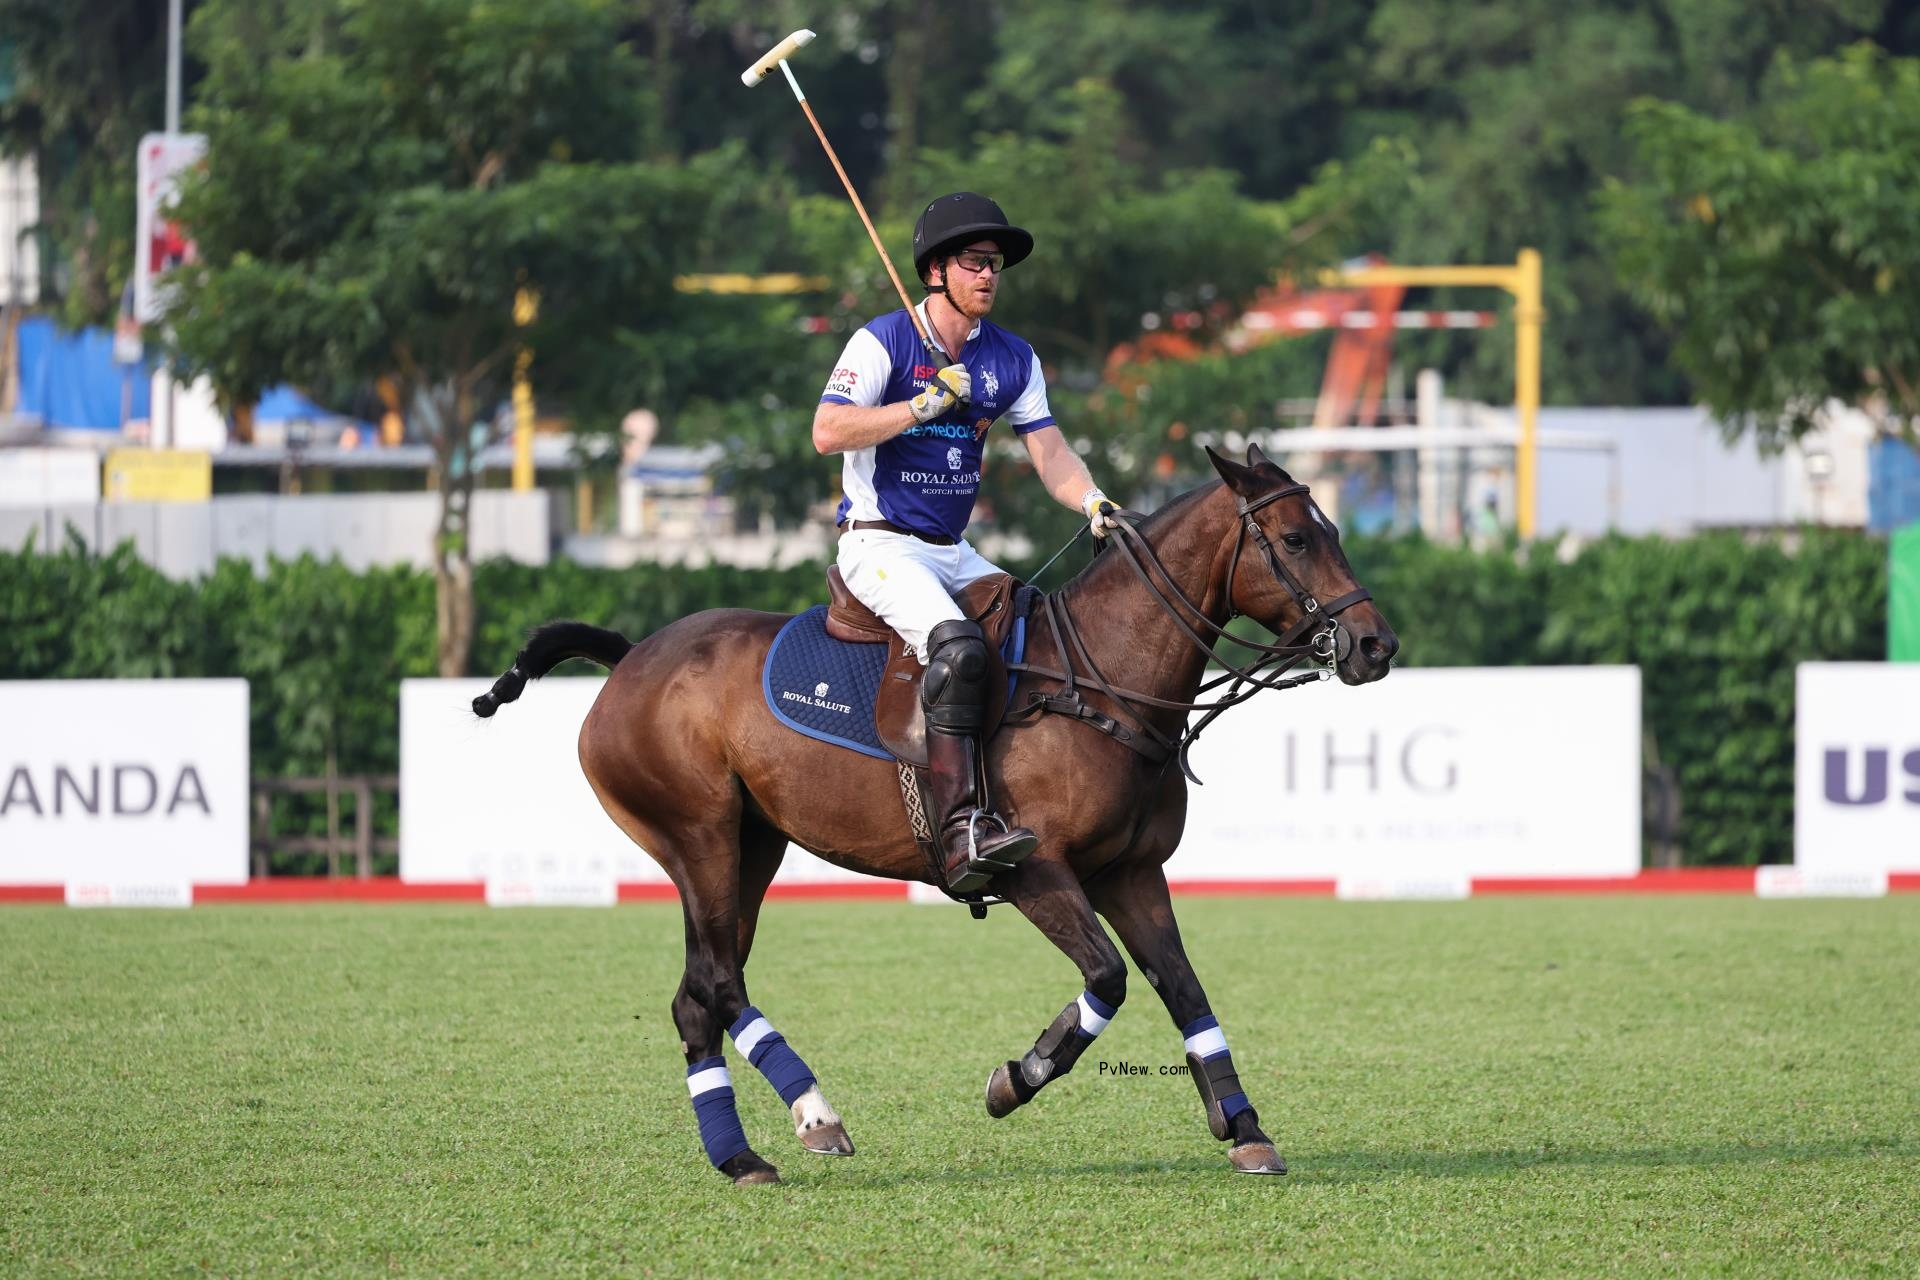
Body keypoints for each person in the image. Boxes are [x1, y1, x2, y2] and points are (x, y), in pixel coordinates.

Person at [813, 192, 1119, 895]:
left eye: (996, 265)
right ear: (936, 270)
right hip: (879, 543)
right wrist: (918, 406)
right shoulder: (882, 342)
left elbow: (1051, 454)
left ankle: (1024, 792)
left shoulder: (1013, 360)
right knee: (957, 644)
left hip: (953, 549)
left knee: (1040, 629)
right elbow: (828, 431)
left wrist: (1094, 499)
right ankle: (961, 829)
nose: (989, 275)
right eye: (976, 262)